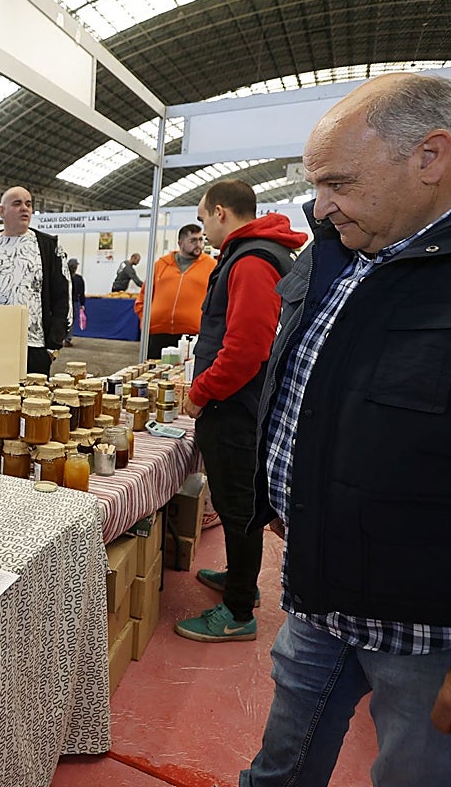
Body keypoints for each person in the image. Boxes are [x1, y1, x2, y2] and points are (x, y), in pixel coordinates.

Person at [243, 73, 451, 784]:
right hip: (319, 595)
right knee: (279, 768)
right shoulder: (338, 245)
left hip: (434, 636)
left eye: (338, 182)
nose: (320, 207)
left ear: (431, 157)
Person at [174, 180, 305, 644]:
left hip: (236, 404)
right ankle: (238, 579)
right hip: (237, 401)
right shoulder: (254, 254)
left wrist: (201, 392)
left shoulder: (251, 261)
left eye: (204, 215)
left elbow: (246, 348)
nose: (204, 226)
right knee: (235, 501)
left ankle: (237, 611)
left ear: (222, 212)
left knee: (239, 503)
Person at [0, 186, 70, 374]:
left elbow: (63, 298)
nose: (25, 208)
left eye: (28, 204)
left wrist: (53, 347)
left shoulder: (49, 247)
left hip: (34, 348)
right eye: (17, 203)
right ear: (1, 211)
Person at [133, 224, 217, 357]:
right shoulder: (161, 265)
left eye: (201, 240)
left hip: (192, 337)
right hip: (157, 335)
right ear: (180, 242)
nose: (198, 244)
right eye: (193, 240)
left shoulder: (212, 266)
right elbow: (143, 297)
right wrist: (145, 320)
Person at [65, 258, 86, 347]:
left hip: (64, 301)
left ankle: (61, 338)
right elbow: (81, 292)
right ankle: (67, 339)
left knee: (62, 319)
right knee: (71, 320)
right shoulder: (79, 279)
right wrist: (82, 304)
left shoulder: (64, 277)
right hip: (73, 302)